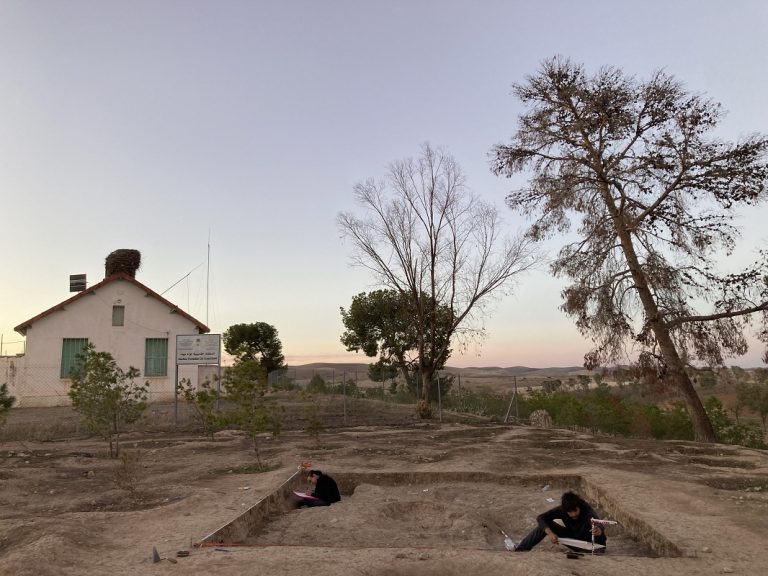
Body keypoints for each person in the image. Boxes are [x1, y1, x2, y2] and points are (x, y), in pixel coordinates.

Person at [513, 491, 607, 552]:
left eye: (575, 511)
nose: (573, 514)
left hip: (592, 546)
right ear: (565, 510)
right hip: (574, 538)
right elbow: (541, 517)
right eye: (570, 512)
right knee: (547, 525)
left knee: (597, 543)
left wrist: (598, 529)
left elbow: (597, 521)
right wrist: (550, 533)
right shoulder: (562, 509)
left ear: (579, 506)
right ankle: (522, 549)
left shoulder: (586, 509)